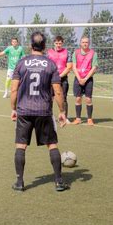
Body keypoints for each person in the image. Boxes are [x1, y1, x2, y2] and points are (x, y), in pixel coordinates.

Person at [10, 31, 69, 192]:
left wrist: (13, 109)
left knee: (21, 146)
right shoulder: (50, 64)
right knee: (52, 144)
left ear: (30, 46)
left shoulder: (21, 63)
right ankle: (58, 181)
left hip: (24, 111)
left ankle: (20, 182)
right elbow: (58, 91)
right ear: (44, 46)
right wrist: (62, 111)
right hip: (44, 111)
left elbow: (14, 89)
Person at [72, 36, 98, 126]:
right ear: (80, 43)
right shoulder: (75, 53)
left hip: (88, 79)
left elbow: (94, 68)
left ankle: (89, 119)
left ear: (89, 43)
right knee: (78, 98)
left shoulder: (93, 53)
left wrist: (86, 78)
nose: (85, 44)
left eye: (86, 42)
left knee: (88, 99)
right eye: (83, 42)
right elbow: (74, 67)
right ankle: (78, 118)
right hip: (78, 78)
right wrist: (79, 78)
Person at [47, 35, 72, 122]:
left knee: (63, 97)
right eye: (57, 43)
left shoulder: (67, 52)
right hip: (50, 79)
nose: (58, 45)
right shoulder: (48, 52)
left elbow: (69, 67)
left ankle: (65, 117)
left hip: (63, 79)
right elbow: (46, 66)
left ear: (63, 43)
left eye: (60, 43)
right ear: (54, 43)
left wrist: (59, 76)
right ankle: (49, 117)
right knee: (50, 98)